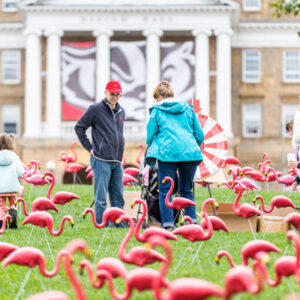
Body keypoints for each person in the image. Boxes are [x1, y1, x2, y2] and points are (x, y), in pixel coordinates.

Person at [146, 80, 204, 230]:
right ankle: (192, 223)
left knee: (166, 190)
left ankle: (168, 224)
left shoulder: (157, 110)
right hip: (190, 153)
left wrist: (155, 144)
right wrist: (189, 146)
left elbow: (150, 135)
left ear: (158, 96)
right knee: (186, 189)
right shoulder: (188, 109)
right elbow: (199, 135)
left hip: (167, 154)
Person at [74, 80, 125, 226]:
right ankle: (101, 226)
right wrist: (90, 148)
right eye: (112, 94)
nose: (115, 97)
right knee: (101, 198)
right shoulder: (95, 109)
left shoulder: (122, 111)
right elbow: (79, 127)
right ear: (105, 93)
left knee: (118, 197)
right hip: (101, 160)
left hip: (117, 161)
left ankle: (119, 227)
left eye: (118, 95)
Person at [0, 133, 24, 229]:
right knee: (12, 204)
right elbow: (20, 172)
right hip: (12, 187)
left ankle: (1, 224)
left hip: (0, 188)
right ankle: (13, 223)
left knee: (1, 206)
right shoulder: (15, 157)